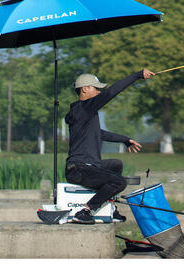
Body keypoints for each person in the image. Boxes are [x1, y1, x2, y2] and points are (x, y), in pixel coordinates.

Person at [64, 68, 154, 224]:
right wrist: (136, 75)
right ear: (85, 89)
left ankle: (111, 207)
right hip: (78, 169)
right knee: (119, 182)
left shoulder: (84, 114)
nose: (99, 92)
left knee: (115, 165)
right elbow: (111, 92)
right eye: (96, 88)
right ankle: (86, 211)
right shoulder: (85, 107)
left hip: (88, 166)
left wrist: (125, 140)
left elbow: (101, 134)